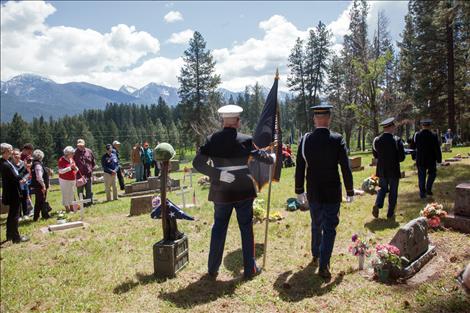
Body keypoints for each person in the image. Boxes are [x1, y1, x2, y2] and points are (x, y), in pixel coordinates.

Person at [193, 105, 275, 280]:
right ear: (237, 121)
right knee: (246, 229)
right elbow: (260, 156)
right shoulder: (246, 139)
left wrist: (218, 174)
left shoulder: (211, 139)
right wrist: (272, 157)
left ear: (223, 121)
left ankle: (212, 269)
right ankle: (249, 269)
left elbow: (197, 164)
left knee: (218, 228)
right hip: (243, 191)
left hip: (221, 191)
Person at [295, 104, 354, 280]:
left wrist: (299, 190)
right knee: (329, 227)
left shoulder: (306, 140)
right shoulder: (337, 139)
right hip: (332, 191)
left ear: (315, 120)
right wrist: (350, 190)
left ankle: (316, 253)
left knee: (316, 222)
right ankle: (324, 263)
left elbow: (300, 167)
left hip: (313, 190)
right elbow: (345, 167)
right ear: (329, 119)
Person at [371, 118, 406, 219]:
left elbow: (375, 155)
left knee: (382, 189)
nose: (394, 128)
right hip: (393, 170)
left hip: (381, 170)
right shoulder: (396, 140)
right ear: (391, 127)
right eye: (393, 126)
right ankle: (390, 213)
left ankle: (378, 204)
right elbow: (401, 158)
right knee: (393, 191)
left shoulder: (376, 140)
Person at [1, 143, 29, 243]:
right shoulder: (5, 164)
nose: (12, 152)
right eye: (11, 150)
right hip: (13, 193)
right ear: (7, 151)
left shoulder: (5, 162)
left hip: (11, 192)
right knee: (15, 216)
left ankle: (9, 235)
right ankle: (16, 238)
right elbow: (16, 178)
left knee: (11, 215)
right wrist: (25, 169)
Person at [413, 119, 442, 198]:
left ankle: (422, 193)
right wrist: (439, 159)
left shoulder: (417, 135)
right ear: (430, 126)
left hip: (421, 158)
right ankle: (428, 188)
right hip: (431, 159)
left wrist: (414, 157)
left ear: (422, 126)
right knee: (432, 174)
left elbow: (413, 147)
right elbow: (437, 148)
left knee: (421, 176)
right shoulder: (434, 135)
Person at [73, 139, 95, 206]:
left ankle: (89, 203)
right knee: (80, 191)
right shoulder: (74, 153)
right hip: (79, 176)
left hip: (88, 174)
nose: (80, 147)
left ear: (84, 145)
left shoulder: (89, 151)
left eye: (82, 145)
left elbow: (93, 161)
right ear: (77, 145)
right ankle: (83, 203)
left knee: (89, 190)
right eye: (79, 146)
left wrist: (91, 169)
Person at [31, 149, 50, 221]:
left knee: (40, 201)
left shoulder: (35, 164)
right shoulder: (38, 165)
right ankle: (37, 217)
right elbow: (39, 177)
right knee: (40, 201)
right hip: (40, 186)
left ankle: (43, 215)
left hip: (38, 186)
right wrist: (43, 185)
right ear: (41, 156)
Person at [11, 148, 31, 218]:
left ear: (20, 155)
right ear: (12, 155)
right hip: (15, 185)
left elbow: (28, 173)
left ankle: (25, 214)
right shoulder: (10, 164)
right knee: (17, 200)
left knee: (24, 199)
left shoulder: (23, 163)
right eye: (13, 154)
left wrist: (25, 179)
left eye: (17, 154)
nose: (15, 156)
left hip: (24, 184)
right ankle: (18, 215)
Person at [58, 146, 78, 212]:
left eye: (73, 153)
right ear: (67, 154)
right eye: (72, 153)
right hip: (64, 180)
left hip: (72, 179)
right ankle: (67, 208)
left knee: (72, 193)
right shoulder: (61, 160)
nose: (73, 154)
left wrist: (76, 169)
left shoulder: (71, 159)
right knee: (65, 194)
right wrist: (70, 168)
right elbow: (60, 171)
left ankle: (72, 207)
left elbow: (75, 168)